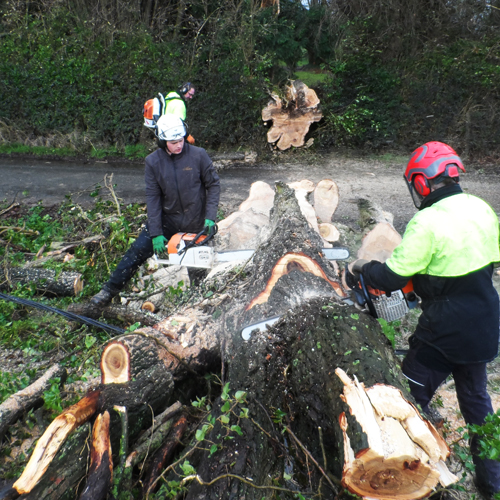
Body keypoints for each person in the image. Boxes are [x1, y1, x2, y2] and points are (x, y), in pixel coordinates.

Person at [347, 141, 500, 498]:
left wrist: (363, 267)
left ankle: (401, 469)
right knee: (477, 402)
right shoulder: (481, 207)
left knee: (405, 396)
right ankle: (492, 483)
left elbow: (389, 278)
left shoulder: (427, 220)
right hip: (485, 321)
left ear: (420, 183)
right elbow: (470, 262)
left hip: (444, 329)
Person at [91, 114, 220, 306]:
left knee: (197, 265)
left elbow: (214, 185)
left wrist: (210, 217)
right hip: (168, 220)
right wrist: (156, 232)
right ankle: (108, 291)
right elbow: (153, 197)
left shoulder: (198, 155)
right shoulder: (153, 162)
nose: (179, 145)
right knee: (137, 251)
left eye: (181, 140)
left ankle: (198, 301)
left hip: (195, 220)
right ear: (162, 141)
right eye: (173, 142)